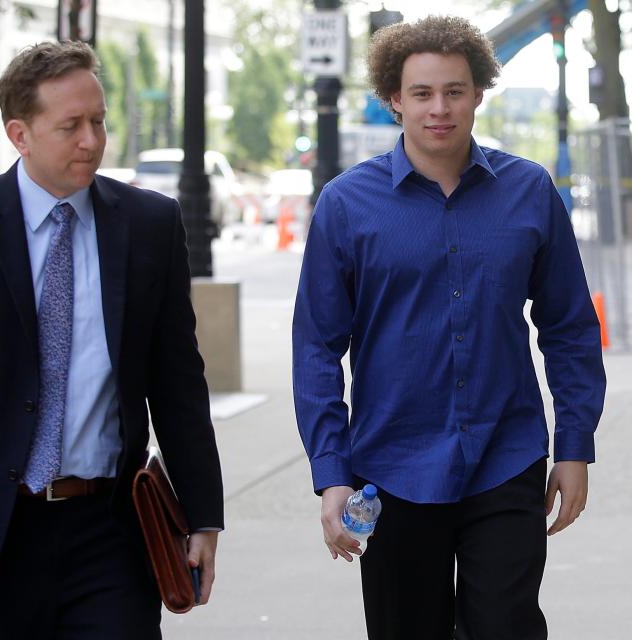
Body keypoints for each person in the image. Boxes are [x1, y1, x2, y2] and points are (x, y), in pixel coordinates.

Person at [0, 40, 224, 639]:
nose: (92, 140)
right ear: (20, 134)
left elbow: (178, 382)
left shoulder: (149, 225)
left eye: (99, 121)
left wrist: (204, 515)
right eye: (71, 126)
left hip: (109, 532)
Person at [292, 15, 605, 640]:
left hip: (506, 456)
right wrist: (331, 473)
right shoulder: (346, 205)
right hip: (390, 468)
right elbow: (316, 349)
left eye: (455, 91)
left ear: (479, 94)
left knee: (505, 626)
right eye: (422, 93)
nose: (440, 108)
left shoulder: (530, 190)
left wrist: (574, 445)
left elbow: (568, 328)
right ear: (393, 101)